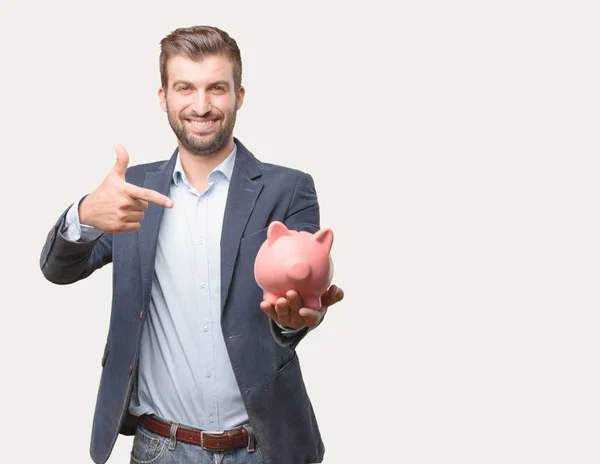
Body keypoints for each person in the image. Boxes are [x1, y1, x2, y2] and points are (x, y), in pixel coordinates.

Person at [40, 25, 344, 464]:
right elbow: (57, 270)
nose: (201, 106)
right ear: (163, 97)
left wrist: (295, 319)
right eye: (185, 88)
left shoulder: (288, 189)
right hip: (159, 448)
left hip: (263, 448)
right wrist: (85, 213)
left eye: (216, 88)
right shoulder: (132, 192)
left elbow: (293, 311)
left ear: (239, 95)